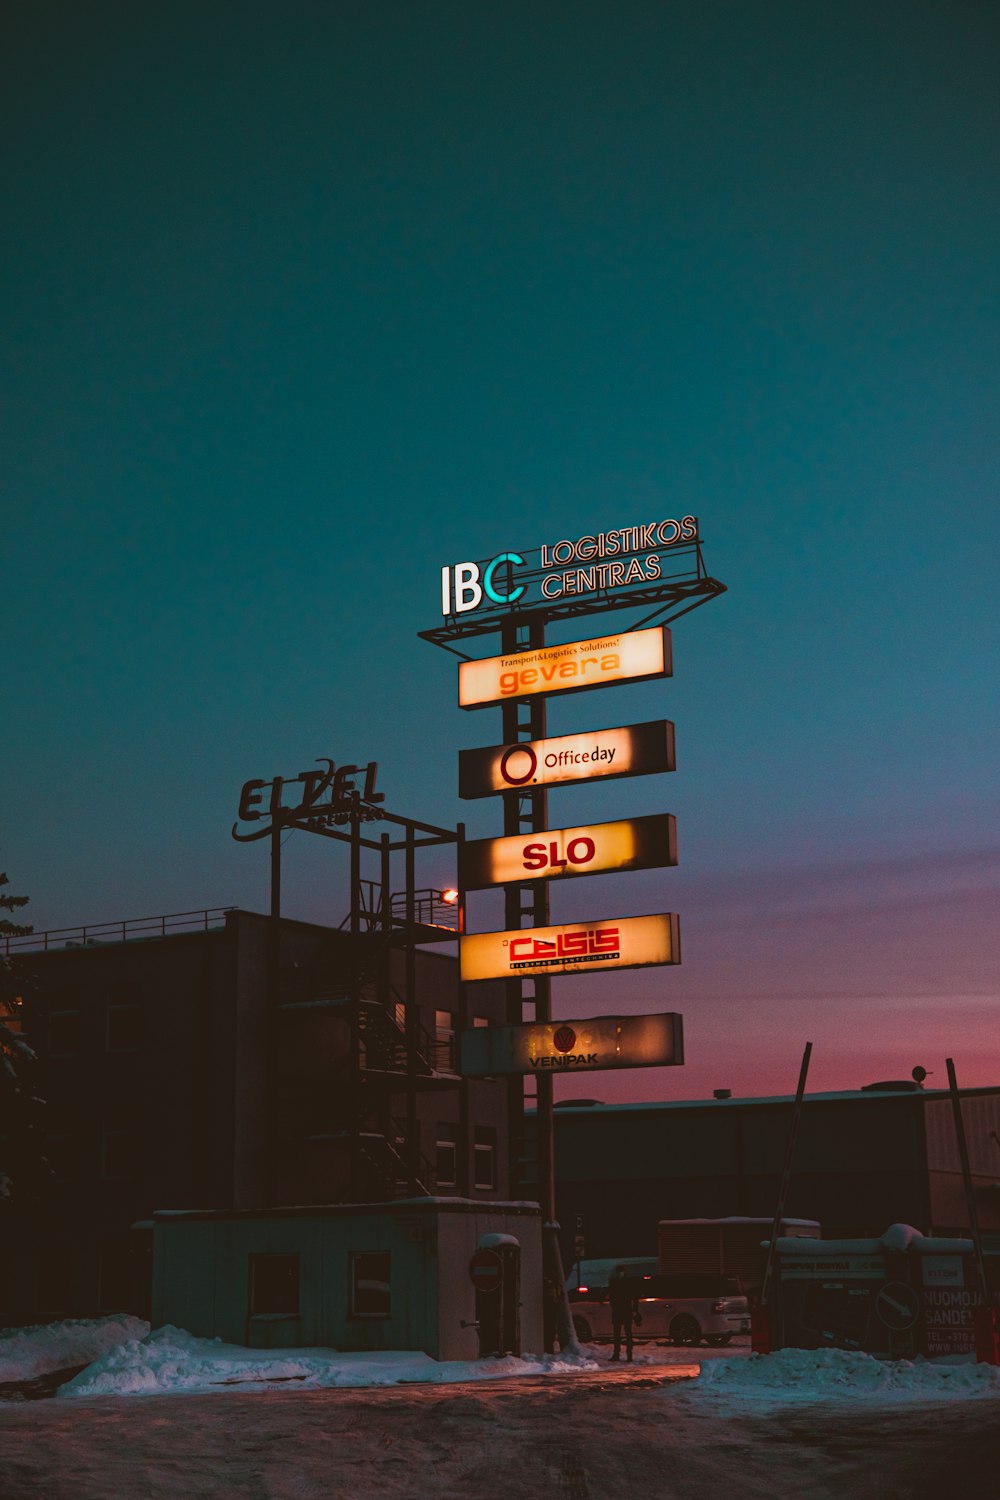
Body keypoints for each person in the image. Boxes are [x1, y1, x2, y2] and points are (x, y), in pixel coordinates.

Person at [608, 1265, 641, 1362]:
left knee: (619, 1334)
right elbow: (635, 1297)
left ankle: (618, 1354)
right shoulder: (628, 1282)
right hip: (625, 1310)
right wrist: (634, 1310)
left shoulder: (614, 1282)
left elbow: (612, 1298)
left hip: (620, 1310)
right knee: (627, 1333)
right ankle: (627, 1354)